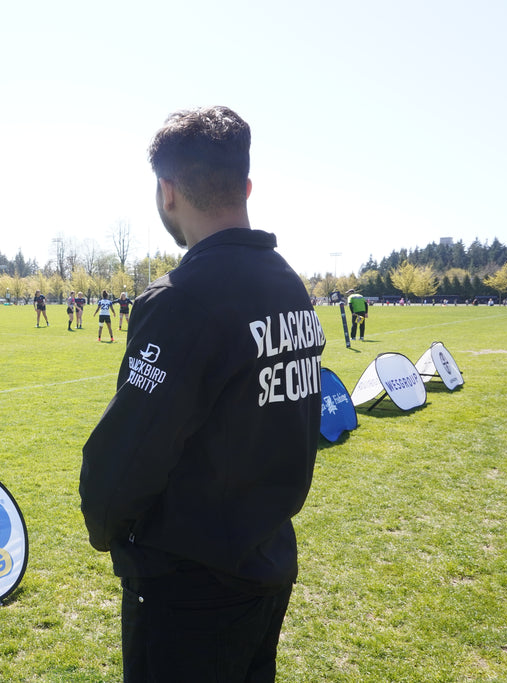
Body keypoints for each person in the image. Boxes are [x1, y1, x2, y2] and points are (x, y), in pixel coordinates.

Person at [79, 106, 326, 681]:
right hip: (263, 562)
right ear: (245, 185)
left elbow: (128, 456)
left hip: (189, 585)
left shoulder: (184, 298)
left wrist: (105, 523)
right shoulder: (287, 283)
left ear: (168, 191)